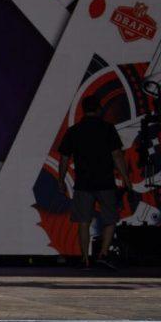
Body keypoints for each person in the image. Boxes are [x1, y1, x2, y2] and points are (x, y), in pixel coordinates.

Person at [57, 96, 132, 268]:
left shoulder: (74, 130)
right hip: (105, 182)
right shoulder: (107, 129)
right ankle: (103, 253)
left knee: (84, 221)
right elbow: (117, 155)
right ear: (98, 109)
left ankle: (85, 258)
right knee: (110, 219)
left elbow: (64, 158)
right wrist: (126, 179)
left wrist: (61, 179)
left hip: (83, 183)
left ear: (84, 110)